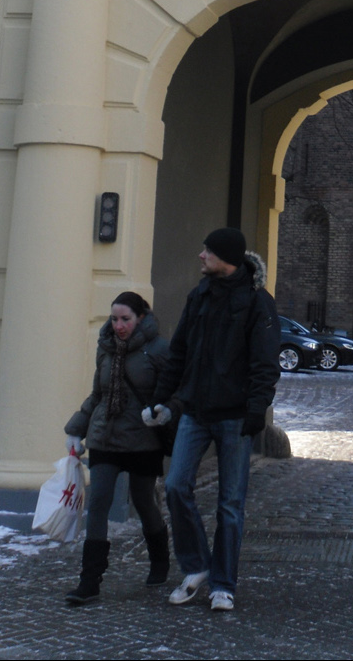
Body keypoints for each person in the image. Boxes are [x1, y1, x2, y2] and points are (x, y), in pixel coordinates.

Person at [142, 227, 281, 614]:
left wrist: (257, 410)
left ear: (226, 258)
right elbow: (180, 351)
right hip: (197, 411)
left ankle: (223, 583)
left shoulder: (257, 302)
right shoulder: (199, 295)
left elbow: (265, 363)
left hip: (235, 416)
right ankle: (197, 566)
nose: (201, 256)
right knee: (175, 485)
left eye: (208, 251)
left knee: (230, 504)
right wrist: (163, 399)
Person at [63, 290, 172, 606]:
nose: (119, 325)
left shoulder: (159, 350)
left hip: (142, 440)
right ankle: (90, 580)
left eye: (125, 319)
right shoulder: (106, 348)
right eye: (114, 319)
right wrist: (76, 427)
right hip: (104, 435)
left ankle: (160, 559)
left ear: (140, 318)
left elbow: (172, 392)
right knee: (97, 501)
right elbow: (98, 394)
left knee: (143, 500)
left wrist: (164, 411)